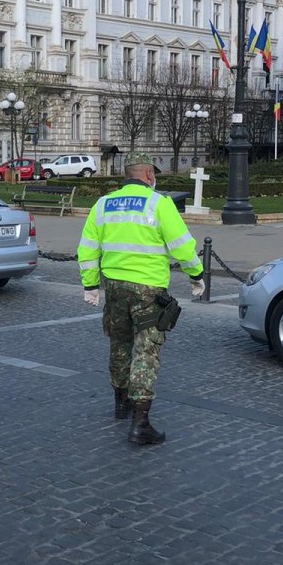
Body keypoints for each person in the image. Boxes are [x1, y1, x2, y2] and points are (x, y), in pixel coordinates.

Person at [77, 152, 206, 445]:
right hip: (148, 289)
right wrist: (196, 276)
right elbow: (182, 247)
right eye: (154, 175)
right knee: (146, 351)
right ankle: (141, 423)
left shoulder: (103, 204)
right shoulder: (159, 204)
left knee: (119, 344)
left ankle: (120, 404)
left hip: (115, 288)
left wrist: (91, 285)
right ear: (149, 175)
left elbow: (87, 249)